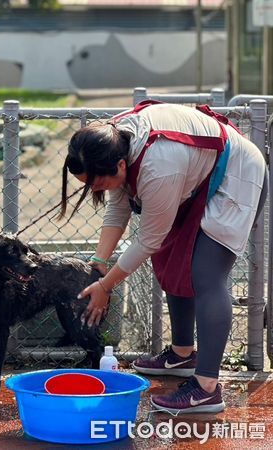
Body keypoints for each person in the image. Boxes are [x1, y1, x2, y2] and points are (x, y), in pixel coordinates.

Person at [59, 102, 267, 414]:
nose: (96, 190)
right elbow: (119, 204)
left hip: (235, 174)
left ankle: (207, 389)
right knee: (174, 260)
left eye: (98, 183)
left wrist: (106, 285)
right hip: (198, 175)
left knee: (206, 275)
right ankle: (183, 354)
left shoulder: (158, 166)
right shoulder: (110, 141)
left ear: (118, 165)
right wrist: (98, 263)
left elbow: (148, 241)